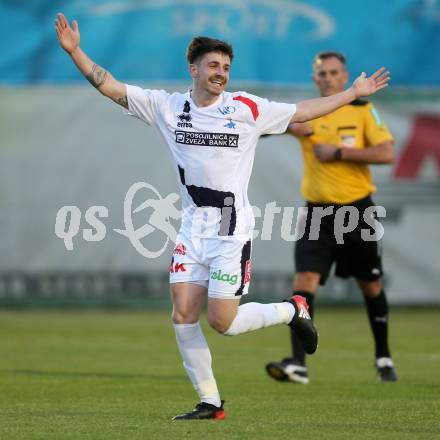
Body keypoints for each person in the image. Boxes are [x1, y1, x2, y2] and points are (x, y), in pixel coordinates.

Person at [54, 13, 390, 419]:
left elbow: (303, 110)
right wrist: (76, 52)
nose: (221, 73)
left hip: (231, 232)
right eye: (213, 66)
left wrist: (351, 93)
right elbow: (111, 87)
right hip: (192, 229)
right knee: (181, 313)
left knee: (224, 323)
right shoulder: (167, 106)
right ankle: (210, 402)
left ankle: (291, 310)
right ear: (193, 69)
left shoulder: (247, 108)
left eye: (226, 67)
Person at [265, 52, 397, 385]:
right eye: (321, 73)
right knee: (303, 282)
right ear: (315, 79)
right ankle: (298, 364)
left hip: (357, 211)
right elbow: (266, 126)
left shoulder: (363, 111)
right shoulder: (308, 114)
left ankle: (383, 357)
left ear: (345, 76)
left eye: (333, 72)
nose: (327, 78)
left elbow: (386, 152)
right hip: (318, 212)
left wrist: (340, 152)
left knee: (370, 284)